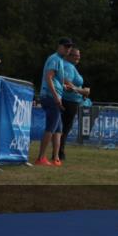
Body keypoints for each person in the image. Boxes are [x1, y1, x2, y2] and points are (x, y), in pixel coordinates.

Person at [34, 38, 75, 166]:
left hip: (54, 95)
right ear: (59, 46)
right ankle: (41, 158)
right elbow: (49, 77)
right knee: (51, 127)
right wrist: (56, 96)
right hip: (51, 97)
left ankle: (56, 158)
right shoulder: (55, 59)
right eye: (66, 46)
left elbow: (55, 80)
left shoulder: (59, 60)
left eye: (70, 47)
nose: (68, 49)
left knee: (58, 129)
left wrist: (63, 87)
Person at [59, 47, 90, 161]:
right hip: (69, 101)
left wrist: (83, 93)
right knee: (65, 129)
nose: (78, 57)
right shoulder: (68, 66)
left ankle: (59, 153)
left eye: (79, 55)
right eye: (75, 55)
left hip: (71, 100)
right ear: (68, 56)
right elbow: (67, 84)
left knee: (63, 128)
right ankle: (59, 153)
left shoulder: (70, 66)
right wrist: (83, 91)